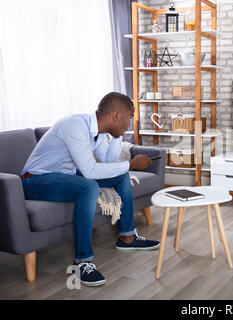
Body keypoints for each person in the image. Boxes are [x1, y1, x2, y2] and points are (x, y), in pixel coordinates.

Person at [21, 92, 160, 287]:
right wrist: (131, 164)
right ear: (115, 115)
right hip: (36, 181)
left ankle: (127, 236)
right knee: (88, 186)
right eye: (128, 118)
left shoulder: (98, 132)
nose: (129, 124)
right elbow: (89, 171)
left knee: (120, 176)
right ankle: (82, 261)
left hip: (63, 177)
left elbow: (109, 163)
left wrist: (119, 137)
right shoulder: (75, 126)